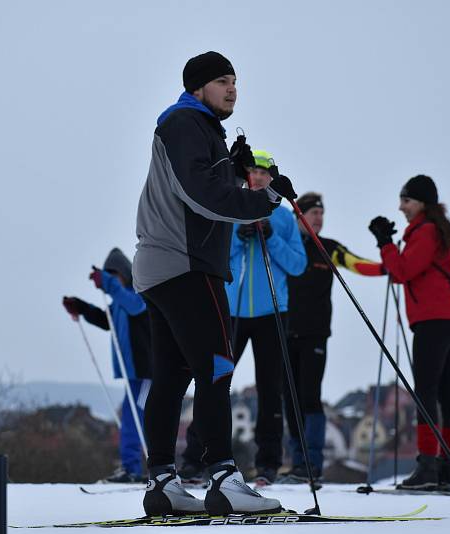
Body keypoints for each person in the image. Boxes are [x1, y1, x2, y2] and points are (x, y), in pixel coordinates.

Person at [132, 51, 296, 516]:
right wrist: (265, 199)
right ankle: (224, 478)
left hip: (161, 267)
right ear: (198, 87)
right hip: (186, 266)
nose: (232, 89)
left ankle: (163, 482)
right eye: (222, 81)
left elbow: (202, 183)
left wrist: (231, 166)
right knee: (218, 367)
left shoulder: (198, 129)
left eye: (236, 82)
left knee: (171, 376)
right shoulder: (186, 122)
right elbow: (199, 195)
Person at [178, 150, 307, 487]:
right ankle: (195, 460)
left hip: (271, 313)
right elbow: (215, 254)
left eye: (265, 174)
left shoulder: (282, 218)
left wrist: (271, 238)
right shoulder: (231, 211)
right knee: (215, 381)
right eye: (253, 172)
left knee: (269, 389)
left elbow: (298, 265)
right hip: (231, 312)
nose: (259, 178)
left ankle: (268, 465)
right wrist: (240, 235)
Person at [368, 174, 450, 492]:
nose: (401, 207)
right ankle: (448, 470)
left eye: (406, 200)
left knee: (426, 392)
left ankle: (428, 467)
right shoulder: (439, 231)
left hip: (434, 320)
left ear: (422, 203)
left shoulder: (425, 232)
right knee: (446, 392)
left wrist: (385, 243)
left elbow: (401, 272)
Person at [281, 191, 383, 484]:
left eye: (322, 214)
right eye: (313, 213)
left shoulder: (327, 248)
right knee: (289, 401)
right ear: (299, 216)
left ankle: (312, 464)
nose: (319, 218)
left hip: (315, 334)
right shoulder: (284, 246)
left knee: (310, 398)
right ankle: (296, 462)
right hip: (283, 332)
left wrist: (387, 267)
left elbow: (355, 263)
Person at [62, 248, 152, 483]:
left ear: (126, 274)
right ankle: (132, 467)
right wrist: (81, 307)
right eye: (109, 276)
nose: (113, 280)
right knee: (133, 417)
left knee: (135, 418)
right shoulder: (118, 302)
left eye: (115, 275)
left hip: (148, 372)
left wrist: (109, 284)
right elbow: (106, 320)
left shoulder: (139, 295)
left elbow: (137, 308)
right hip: (133, 372)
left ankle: (135, 469)